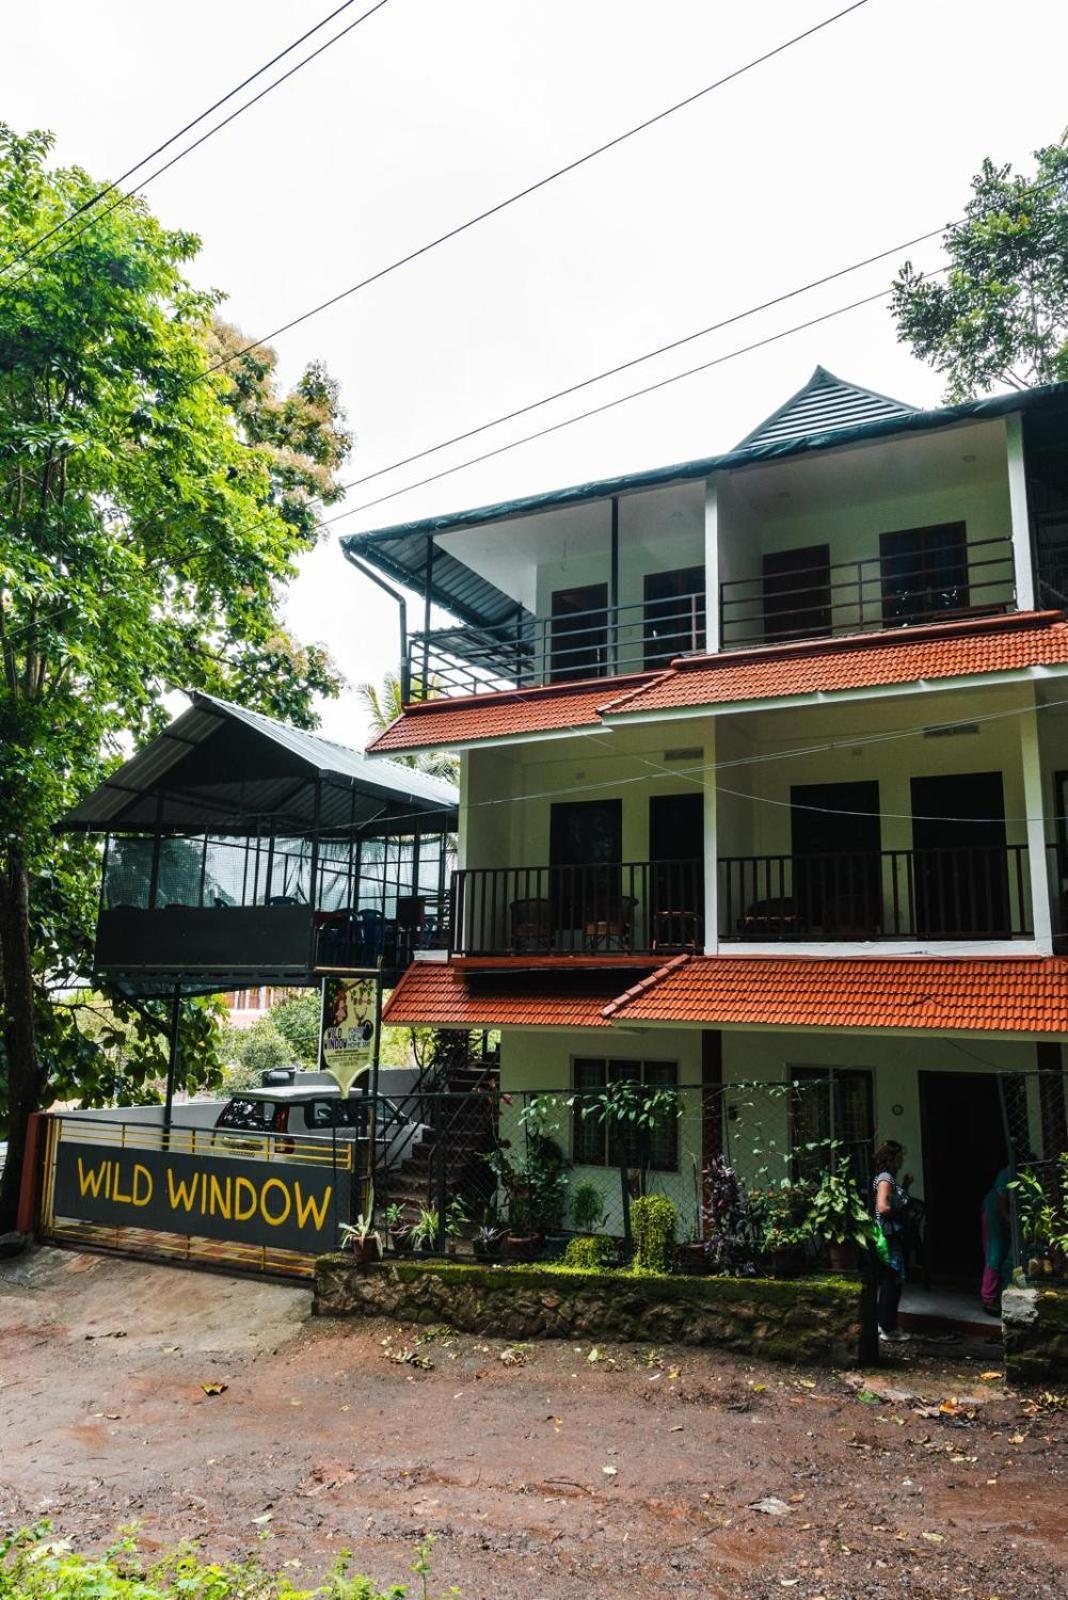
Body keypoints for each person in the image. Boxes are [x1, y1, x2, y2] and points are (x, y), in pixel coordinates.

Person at [873, 1139, 913, 1345]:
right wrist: (899, 1212)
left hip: (892, 1234)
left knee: (893, 1279)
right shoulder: (886, 1178)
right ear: (892, 1158)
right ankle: (887, 1327)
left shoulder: (890, 1178)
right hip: (888, 1236)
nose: (902, 1160)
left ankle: (885, 1323)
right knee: (892, 1280)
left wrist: (905, 1185)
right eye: (900, 1157)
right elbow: (883, 1207)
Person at [979, 1165, 1013, 1316]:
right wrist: (1008, 1220)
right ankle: (988, 1297)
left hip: (1010, 1214)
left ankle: (1003, 1293)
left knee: (1007, 1254)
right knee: (995, 1251)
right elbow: (1001, 1203)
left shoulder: (1029, 1174)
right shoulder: (1006, 1173)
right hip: (995, 1212)